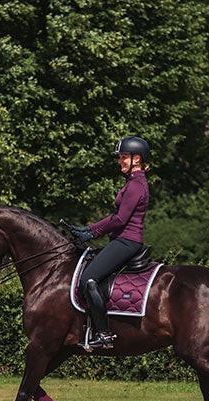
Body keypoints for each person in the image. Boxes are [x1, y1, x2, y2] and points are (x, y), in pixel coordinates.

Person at [72, 135, 151, 349]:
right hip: (121, 240)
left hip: (127, 241)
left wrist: (91, 231)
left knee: (88, 280)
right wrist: (90, 230)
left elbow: (120, 219)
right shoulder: (132, 183)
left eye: (124, 157)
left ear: (137, 159)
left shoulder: (136, 186)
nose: (120, 161)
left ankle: (104, 334)